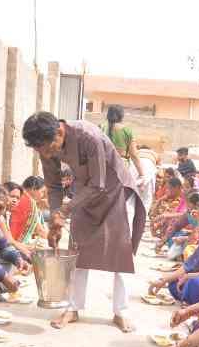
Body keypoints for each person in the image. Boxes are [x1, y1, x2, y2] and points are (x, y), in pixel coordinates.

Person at [23, 111, 146, 333]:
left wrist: (65, 210)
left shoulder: (89, 137)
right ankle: (73, 307)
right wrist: (55, 218)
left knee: (121, 251)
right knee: (77, 250)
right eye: (42, 151)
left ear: (59, 132)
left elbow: (98, 183)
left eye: (50, 149)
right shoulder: (45, 146)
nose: (47, 155)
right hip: (84, 194)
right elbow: (53, 186)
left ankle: (121, 311)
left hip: (113, 190)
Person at [148, 200, 199, 306]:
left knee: (195, 283)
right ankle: (189, 297)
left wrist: (190, 276)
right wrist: (164, 280)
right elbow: (192, 262)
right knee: (174, 282)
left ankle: (193, 300)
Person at [99, 105, 152, 210]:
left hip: (101, 167)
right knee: (118, 200)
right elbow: (134, 155)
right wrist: (142, 174)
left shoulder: (101, 127)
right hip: (120, 169)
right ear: (121, 116)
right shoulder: (126, 131)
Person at [158, 190, 199, 260]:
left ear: (196, 205)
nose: (187, 205)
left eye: (189, 203)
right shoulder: (189, 213)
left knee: (189, 247)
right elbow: (177, 225)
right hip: (193, 237)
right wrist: (163, 241)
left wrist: (185, 239)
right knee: (175, 234)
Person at [8, 176, 49, 257]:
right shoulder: (29, 202)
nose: (43, 196)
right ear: (33, 188)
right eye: (42, 192)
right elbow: (39, 231)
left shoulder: (27, 200)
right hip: (15, 246)